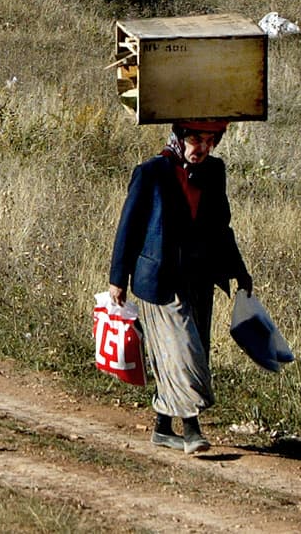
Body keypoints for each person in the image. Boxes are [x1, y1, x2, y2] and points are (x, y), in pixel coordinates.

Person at [107, 117, 252, 453]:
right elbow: (128, 227)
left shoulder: (215, 172)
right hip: (159, 280)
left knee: (191, 348)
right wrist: (118, 278)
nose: (202, 148)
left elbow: (222, 228)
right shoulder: (151, 172)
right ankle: (191, 429)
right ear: (180, 136)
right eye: (196, 140)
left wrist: (239, 271)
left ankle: (162, 427)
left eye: (209, 141)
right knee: (182, 351)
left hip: (199, 278)